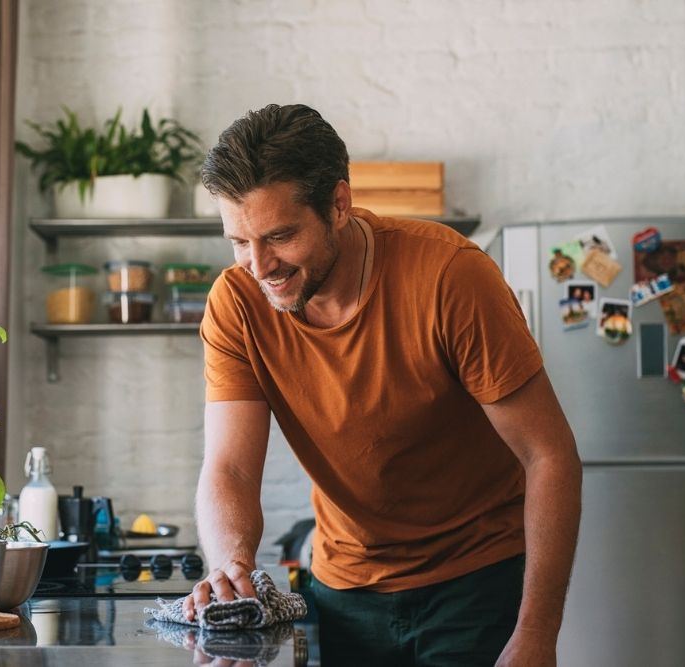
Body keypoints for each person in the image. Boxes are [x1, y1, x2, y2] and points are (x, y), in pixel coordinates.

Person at [185, 104, 582, 667]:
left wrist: (538, 633)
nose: (259, 265)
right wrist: (231, 565)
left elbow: (549, 454)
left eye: (280, 236)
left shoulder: (449, 276)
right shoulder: (237, 304)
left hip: (475, 584)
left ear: (338, 205)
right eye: (239, 241)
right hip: (343, 593)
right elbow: (231, 468)